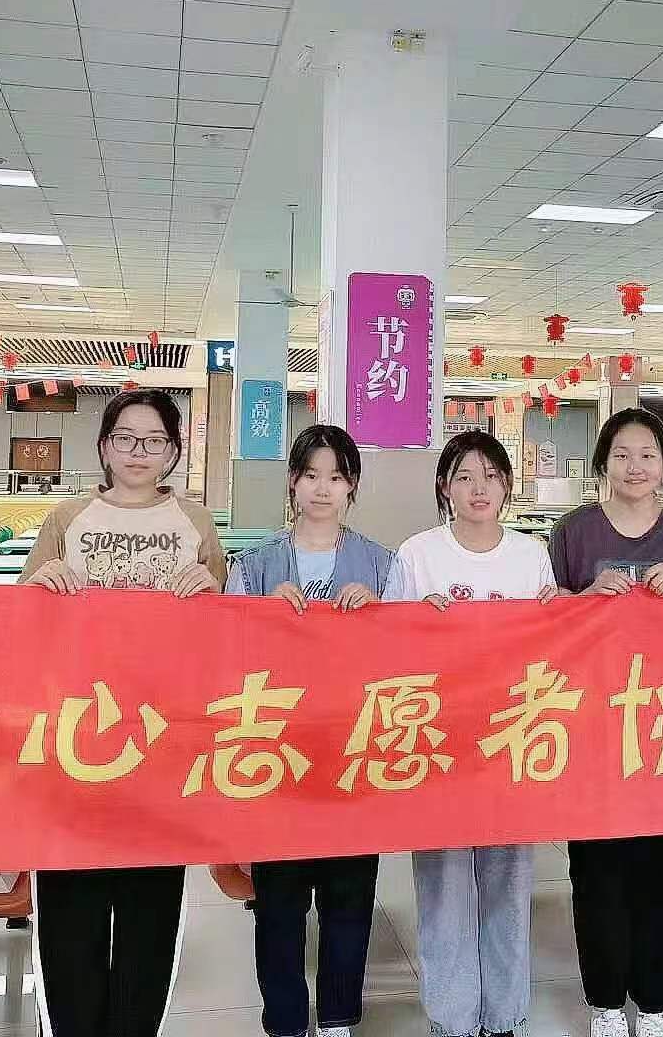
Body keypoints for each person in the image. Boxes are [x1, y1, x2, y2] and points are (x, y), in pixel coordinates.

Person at [20, 388, 227, 1037]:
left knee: (149, 917)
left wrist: (213, 592)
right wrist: (38, 588)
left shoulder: (195, 523)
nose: (140, 452)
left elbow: (223, 639)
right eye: (126, 439)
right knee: (70, 918)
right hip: (74, 746)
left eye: (155, 440)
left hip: (161, 749)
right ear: (105, 447)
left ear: (173, 451)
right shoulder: (67, 518)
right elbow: (20, 627)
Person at [546, 408, 663, 1037]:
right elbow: (542, 618)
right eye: (622, 455)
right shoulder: (574, 533)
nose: (635, 466)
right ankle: (604, 1004)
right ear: (603, 463)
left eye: (648, 455)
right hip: (593, 730)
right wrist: (581, 600)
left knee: (659, 873)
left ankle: (653, 1005)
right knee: (596, 872)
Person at [387, 430, 560, 1037]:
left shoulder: (530, 556)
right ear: (445, 487)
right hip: (438, 745)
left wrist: (558, 614)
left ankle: (505, 1015)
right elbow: (387, 650)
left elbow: (552, 648)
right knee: (443, 888)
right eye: (464, 476)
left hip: (512, 743)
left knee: (508, 885)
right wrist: (417, 623)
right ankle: (452, 1017)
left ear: (507, 486)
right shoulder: (417, 555)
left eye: (490, 475)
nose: (478, 488)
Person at [225, 424, 396, 1037]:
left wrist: (377, 615)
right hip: (277, 751)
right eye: (311, 475)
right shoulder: (254, 564)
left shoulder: (381, 564)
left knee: (350, 895)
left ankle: (339, 1018)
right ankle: (286, 1020)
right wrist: (259, 615)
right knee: (279, 899)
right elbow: (227, 652)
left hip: (352, 749)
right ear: (293, 483)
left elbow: (408, 656)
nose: (323, 489)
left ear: (352, 487)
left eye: (337, 477)